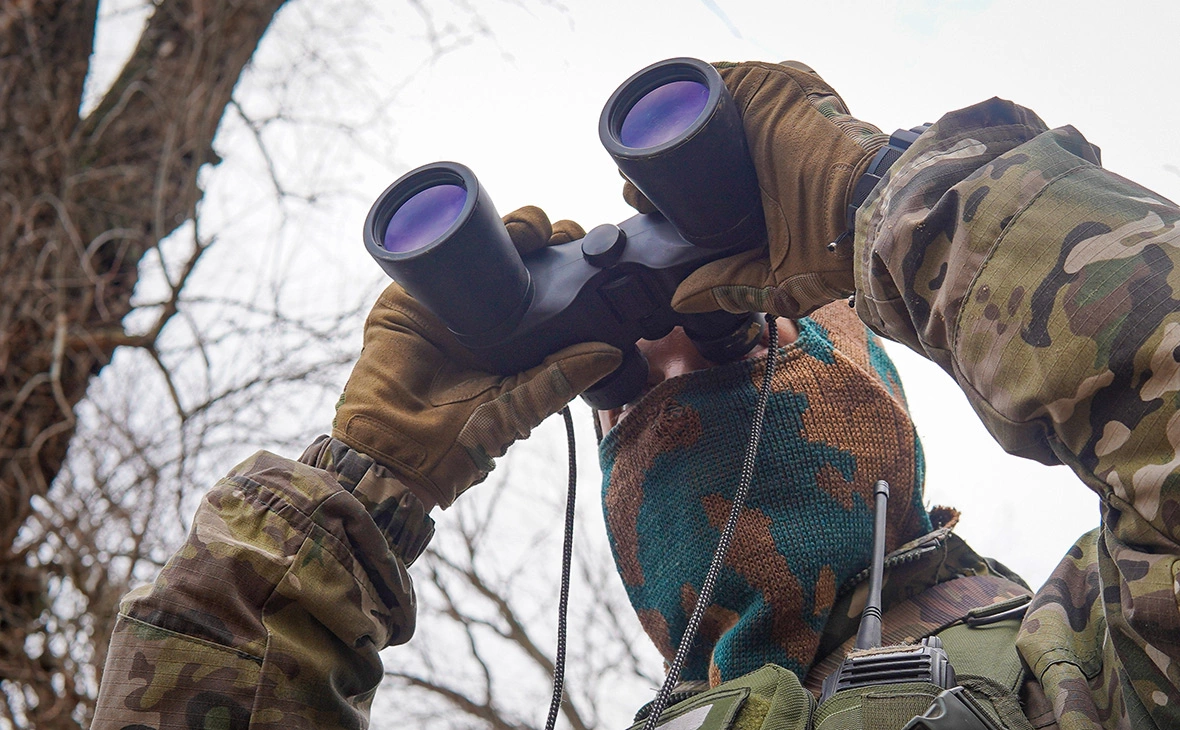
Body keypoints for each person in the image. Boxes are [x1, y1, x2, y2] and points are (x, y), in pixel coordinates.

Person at [91, 59, 1180, 730]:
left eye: (736, 339)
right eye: (621, 392)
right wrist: (356, 495)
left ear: (876, 388)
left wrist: (890, 200)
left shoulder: (1090, 663)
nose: (671, 371)